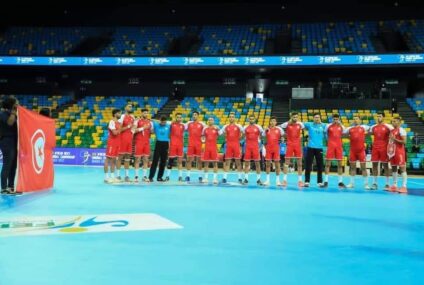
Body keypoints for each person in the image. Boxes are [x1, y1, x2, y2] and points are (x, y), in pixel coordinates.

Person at [0, 96, 20, 195]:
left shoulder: (15, 114)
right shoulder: (3, 114)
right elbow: (10, 123)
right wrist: (13, 112)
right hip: (6, 141)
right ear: (11, 105)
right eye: (16, 103)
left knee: (13, 165)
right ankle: (3, 188)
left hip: (15, 141)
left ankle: (11, 186)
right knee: (7, 164)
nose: (18, 104)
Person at [345, 115, 370, 189]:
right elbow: (343, 134)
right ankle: (351, 183)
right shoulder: (350, 128)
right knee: (352, 167)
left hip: (361, 151)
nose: (355, 120)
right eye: (354, 119)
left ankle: (366, 184)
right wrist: (349, 137)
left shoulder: (364, 127)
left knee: (363, 167)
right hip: (353, 151)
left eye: (357, 119)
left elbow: (370, 131)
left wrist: (365, 134)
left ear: (360, 120)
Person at [280, 112, 305, 187]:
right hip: (290, 145)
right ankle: (284, 180)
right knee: (286, 163)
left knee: (299, 163)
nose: (295, 118)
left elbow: (304, 130)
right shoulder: (286, 124)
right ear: (291, 117)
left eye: (296, 117)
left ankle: (300, 181)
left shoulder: (300, 124)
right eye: (294, 117)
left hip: (298, 145)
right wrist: (284, 135)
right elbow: (278, 128)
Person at [369, 112, 393, 190]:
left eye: (380, 116)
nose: (378, 117)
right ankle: (374, 183)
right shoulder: (373, 127)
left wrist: (390, 147)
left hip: (384, 148)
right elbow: (367, 133)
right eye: (377, 116)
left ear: (383, 117)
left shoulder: (388, 127)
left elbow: (394, 135)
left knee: (385, 166)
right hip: (375, 148)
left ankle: (387, 184)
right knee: (374, 165)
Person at [219, 112, 244, 184]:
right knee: (227, 162)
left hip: (236, 145)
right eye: (230, 117)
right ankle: (224, 178)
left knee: (238, 162)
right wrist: (226, 137)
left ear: (234, 118)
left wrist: (239, 139)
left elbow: (244, 133)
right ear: (229, 118)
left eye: (232, 117)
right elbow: (221, 133)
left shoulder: (239, 126)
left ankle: (239, 178)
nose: (231, 118)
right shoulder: (225, 126)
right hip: (228, 145)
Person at [303, 113, 326, 187]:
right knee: (308, 165)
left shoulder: (323, 125)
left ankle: (319, 182)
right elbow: (299, 123)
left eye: (318, 117)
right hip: (310, 147)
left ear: (320, 118)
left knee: (320, 166)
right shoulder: (309, 124)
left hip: (319, 148)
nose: (317, 118)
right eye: (315, 117)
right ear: (313, 118)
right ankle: (307, 182)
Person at [324, 114, 346, 188]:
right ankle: (326, 181)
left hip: (339, 146)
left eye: (337, 119)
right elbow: (325, 134)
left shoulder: (342, 126)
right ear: (332, 119)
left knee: (340, 165)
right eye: (334, 119)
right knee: (327, 164)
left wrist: (341, 125)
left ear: (339, 119)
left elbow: (345, 133)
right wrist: (328, 142)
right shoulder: (328, 126)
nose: (335, 120)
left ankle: (340, 182)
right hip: (330, 146)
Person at [262, 116, 284, 186]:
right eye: (271, 121)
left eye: (274, 121)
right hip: (268, 148)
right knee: (268, 164)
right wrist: (264, 130)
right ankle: (267, 180)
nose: (272, 122)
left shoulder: (279, 129)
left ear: (276, 122)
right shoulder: (267, 129)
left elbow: (284, 135)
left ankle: (278, 181)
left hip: (276, 148)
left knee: (277, 165)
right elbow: (262, 136)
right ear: (270, 122)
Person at [242, 115, 264, 185]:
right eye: (250, 119)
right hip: (247, 146)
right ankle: (246, 179)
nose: (251, 120)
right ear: (249, 120)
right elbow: (242, 136)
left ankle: (258, 179)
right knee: (246, 164)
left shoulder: (259, 127)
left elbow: (262, 135)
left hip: (255, 147)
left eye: (252, 119)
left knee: (257, 163)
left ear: (255, 120)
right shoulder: (245, 127)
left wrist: (261, 143)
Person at [148, 116, 171, 182]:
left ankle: (159, 177)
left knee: (163, 162)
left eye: (164, 122)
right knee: (155, 161)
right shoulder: (156, 124)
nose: (163, 123)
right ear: (160, 121)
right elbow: (150, 119)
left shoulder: (168, 125)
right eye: (162, 122)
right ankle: (150, 177)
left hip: (165, 144)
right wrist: (157, 120)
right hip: (158, 143)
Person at [388, 117, 408, 193]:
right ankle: (394, 185)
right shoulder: (391, 131)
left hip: (400, 152)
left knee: (402, 168)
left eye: (395, 121)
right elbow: (390, 142)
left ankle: (404, 186)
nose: (393, 122)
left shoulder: (401, 130)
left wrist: (394, 139)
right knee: (393, 168)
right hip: (392, 152)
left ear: (399, 122)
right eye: (392, 121)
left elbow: (404, 142)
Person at [133, 108, 153, 183]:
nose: (145, 114)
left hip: (146, 142)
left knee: (146, 159)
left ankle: (144, 176)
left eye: (146, 113)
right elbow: (133, 130)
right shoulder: (137, 121)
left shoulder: (149, 122)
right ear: (141, 113)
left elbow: (151, 132)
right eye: (144, 113)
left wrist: (151, 131)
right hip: (139, 142)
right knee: (137, 159)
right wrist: (143, 128)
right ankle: (136, 176)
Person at [185, 111, 206, 182]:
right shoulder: (188, 123)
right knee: (188, 160)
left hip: (199, 145)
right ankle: (188, 176)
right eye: (193, 115)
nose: (194, 116)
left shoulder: (202, 124)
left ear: (198, 116)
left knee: (199, 161)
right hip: (190, 144)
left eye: (196, 115)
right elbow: (181, 126)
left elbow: (206, 133)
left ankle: (200, 176)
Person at [116, 103, 135, 182]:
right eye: (129, 106)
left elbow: (133, 128)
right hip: (122, 139)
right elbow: (119, 129)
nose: (130, 108)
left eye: (131, 107)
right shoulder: (122, 117)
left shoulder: (132, 117)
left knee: (128, 158)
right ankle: (118, 175)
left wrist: (132, 132)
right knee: (120, 157)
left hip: (129, 140)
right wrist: (128, 127)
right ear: (125, 107)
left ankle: (126, 176)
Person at [166, 113, 185, 181]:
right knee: (170, 161)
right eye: (178, 117)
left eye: (180, 117)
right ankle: (167, 176)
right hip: (173, 145)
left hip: (180, 145)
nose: (179, 118)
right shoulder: (171, 124)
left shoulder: (183, 125)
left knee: (180, 161)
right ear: (175, 117)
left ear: (181, 118)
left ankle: (180, 177)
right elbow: (162, 121)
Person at [104, 109, 122, 183]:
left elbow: (118, 131)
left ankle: (112, 176)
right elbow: (114, 133)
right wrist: (120, 129)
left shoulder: (118, 122)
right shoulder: (111, 122)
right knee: (108, 159)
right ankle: (106, 177)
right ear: (115, 114)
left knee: (114, 160)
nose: (120, 115)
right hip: (111, 142)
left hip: (117, 143)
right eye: (119, 113)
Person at [201, 117, 220, 184]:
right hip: (206, 147)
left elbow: (220, 135)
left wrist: (218, 129)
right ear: (207, 121)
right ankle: (205, 178)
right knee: (206, 163)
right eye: (209, 120)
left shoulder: (216, 128)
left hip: (214, 147)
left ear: (213, 121)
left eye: (211, 120)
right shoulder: (204, 128)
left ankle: (215, 179)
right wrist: (203, 144)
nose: (210, 121)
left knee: (215, 163)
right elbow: (202, 137)